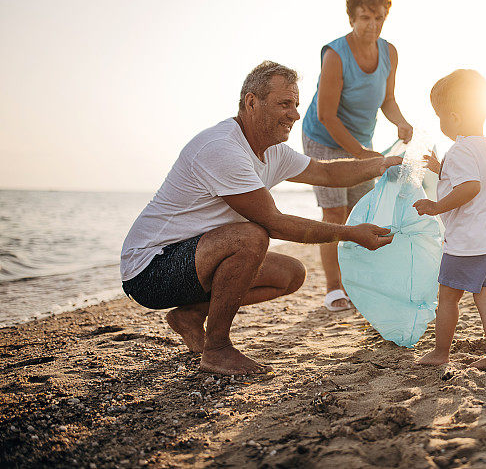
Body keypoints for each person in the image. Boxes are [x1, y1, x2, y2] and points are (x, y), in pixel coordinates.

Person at [120, 61, 401, 375]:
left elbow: (326, 171)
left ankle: (190, 315)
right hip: (150, 270)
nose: (294, 114)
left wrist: (382, 164)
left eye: (296, 105)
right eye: (284, 104)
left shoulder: (273, 151)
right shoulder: (223, 148)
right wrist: (351, 233)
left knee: (291, 273)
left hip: (197, 259)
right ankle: (218, 349)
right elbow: (275, 223)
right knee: (252, 236)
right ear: (251, 102)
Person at [301, 0, 414, 312]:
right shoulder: (336, 55)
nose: (373, 25)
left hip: (361, 142)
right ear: (352, 18)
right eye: (365, 17)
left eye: (379, 18)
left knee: (360, 213)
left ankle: (356, 282)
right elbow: (326, 115)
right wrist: (362, 153)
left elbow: (388, 99)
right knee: (335, 215)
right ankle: (333, 289)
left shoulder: (389, 52)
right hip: (323, 139)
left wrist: (401, 122)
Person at [413, 70, 486, 373]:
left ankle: (442, 352)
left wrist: (435, 206)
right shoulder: (480, 145)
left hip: (468, 244)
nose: (439, 123)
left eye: (439, 116)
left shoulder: (459, 149)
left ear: (453, 116)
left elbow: (469, 187)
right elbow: (468, 177)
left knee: (447, 299)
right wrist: (440, 167)